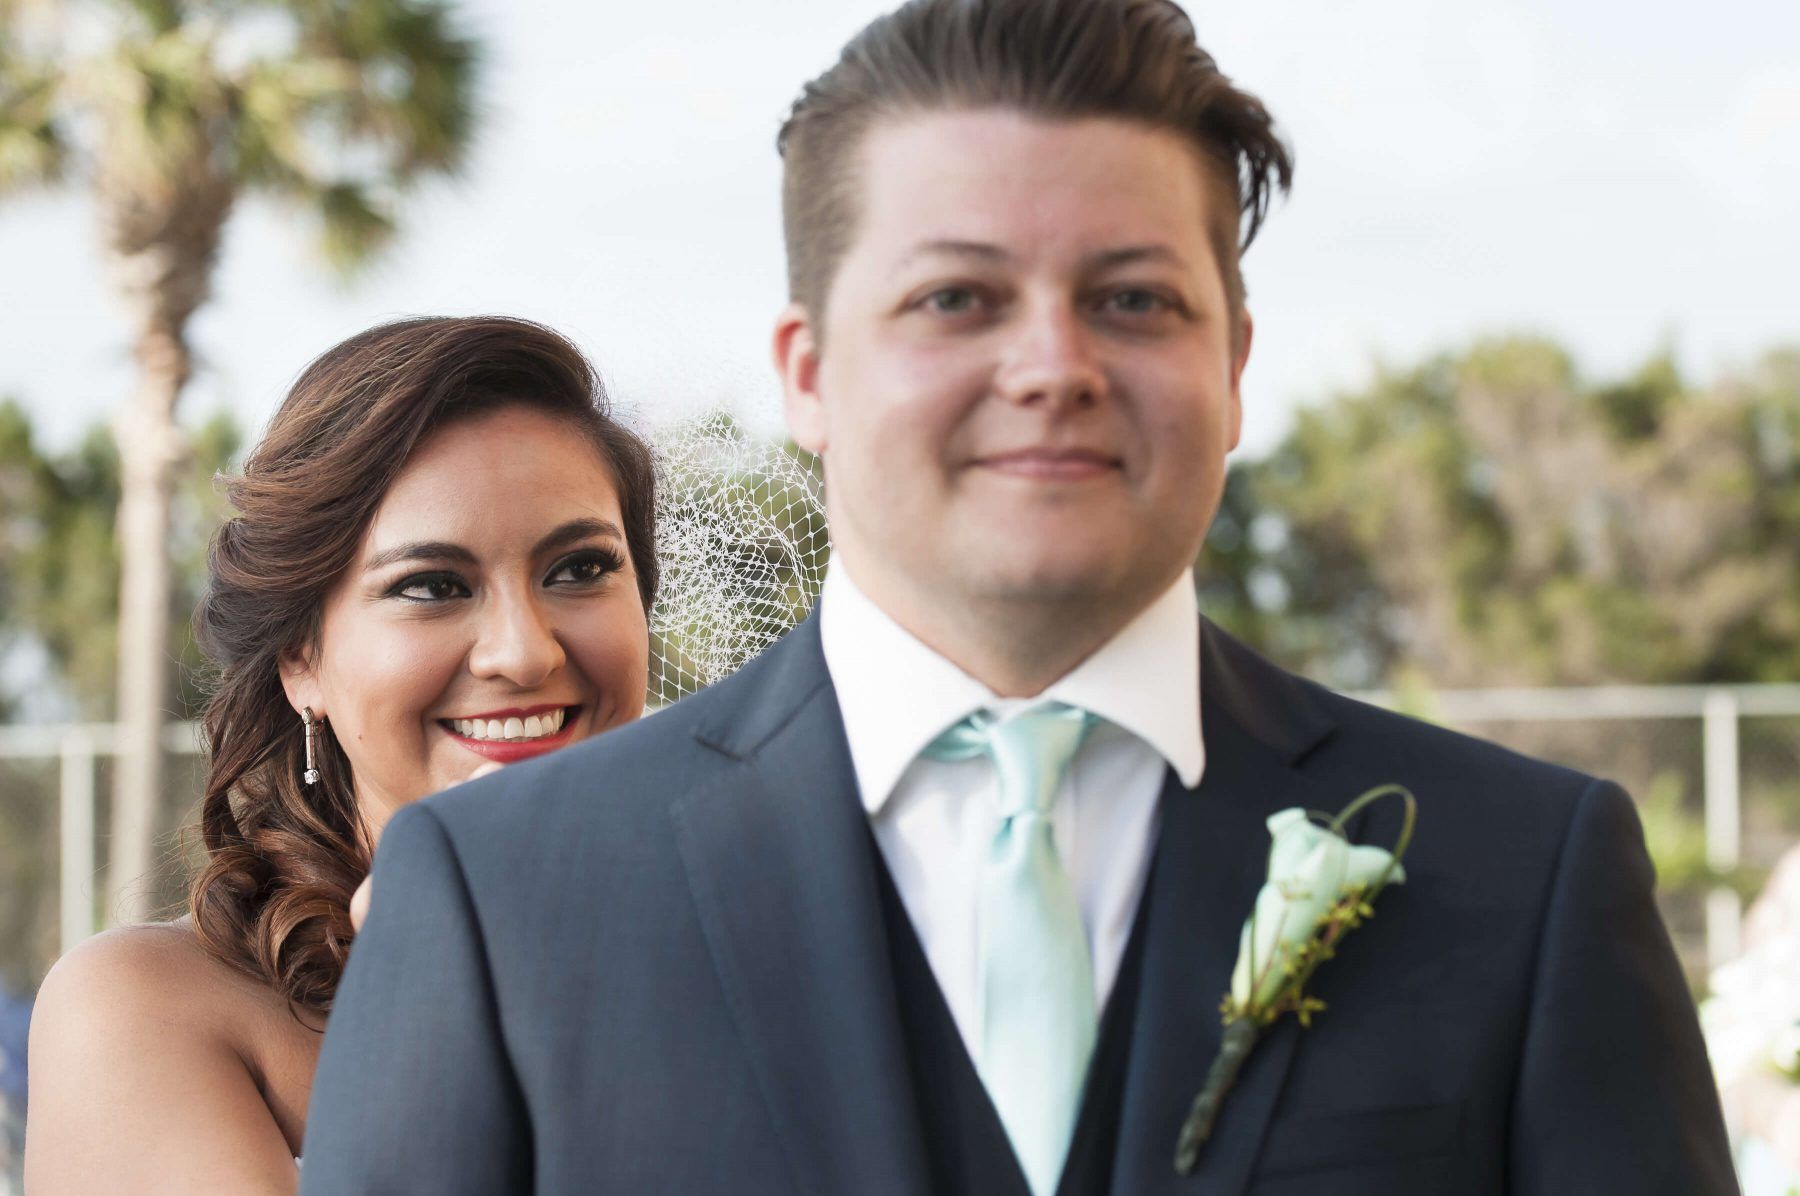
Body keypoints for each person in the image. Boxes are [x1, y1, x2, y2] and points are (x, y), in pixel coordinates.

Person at [300, 1, 1737, 1192]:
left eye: (1132, 299)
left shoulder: (1525, 875)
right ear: (807, 371)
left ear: (1236, 362)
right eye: (958, 300)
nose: (1054, 365)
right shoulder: (501, 902)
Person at [23, 315, 659, 1193]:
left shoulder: (767, 935)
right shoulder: (147, 1010)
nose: (525, 652)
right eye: (432, 587)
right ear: (301, 660)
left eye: (580, 570)